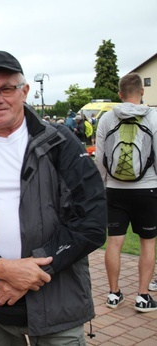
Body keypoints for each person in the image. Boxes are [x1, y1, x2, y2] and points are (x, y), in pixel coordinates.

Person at [0, 50, 107, 344]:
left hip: (57, 304)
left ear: (24, 91)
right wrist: (0, 268)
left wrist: (32, 272)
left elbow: (92, 221)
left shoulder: (60, 142)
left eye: (6, 88)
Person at [95, 72, 157, 313]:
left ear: (119, 95)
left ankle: (113, 293)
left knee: (114, 242)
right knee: (148, 244)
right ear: (142, 91)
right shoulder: (154, 117)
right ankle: (142, 297)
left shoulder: (107, 118)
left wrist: (103, 185)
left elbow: (101, 157)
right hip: (148, 188)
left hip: (114, 189)